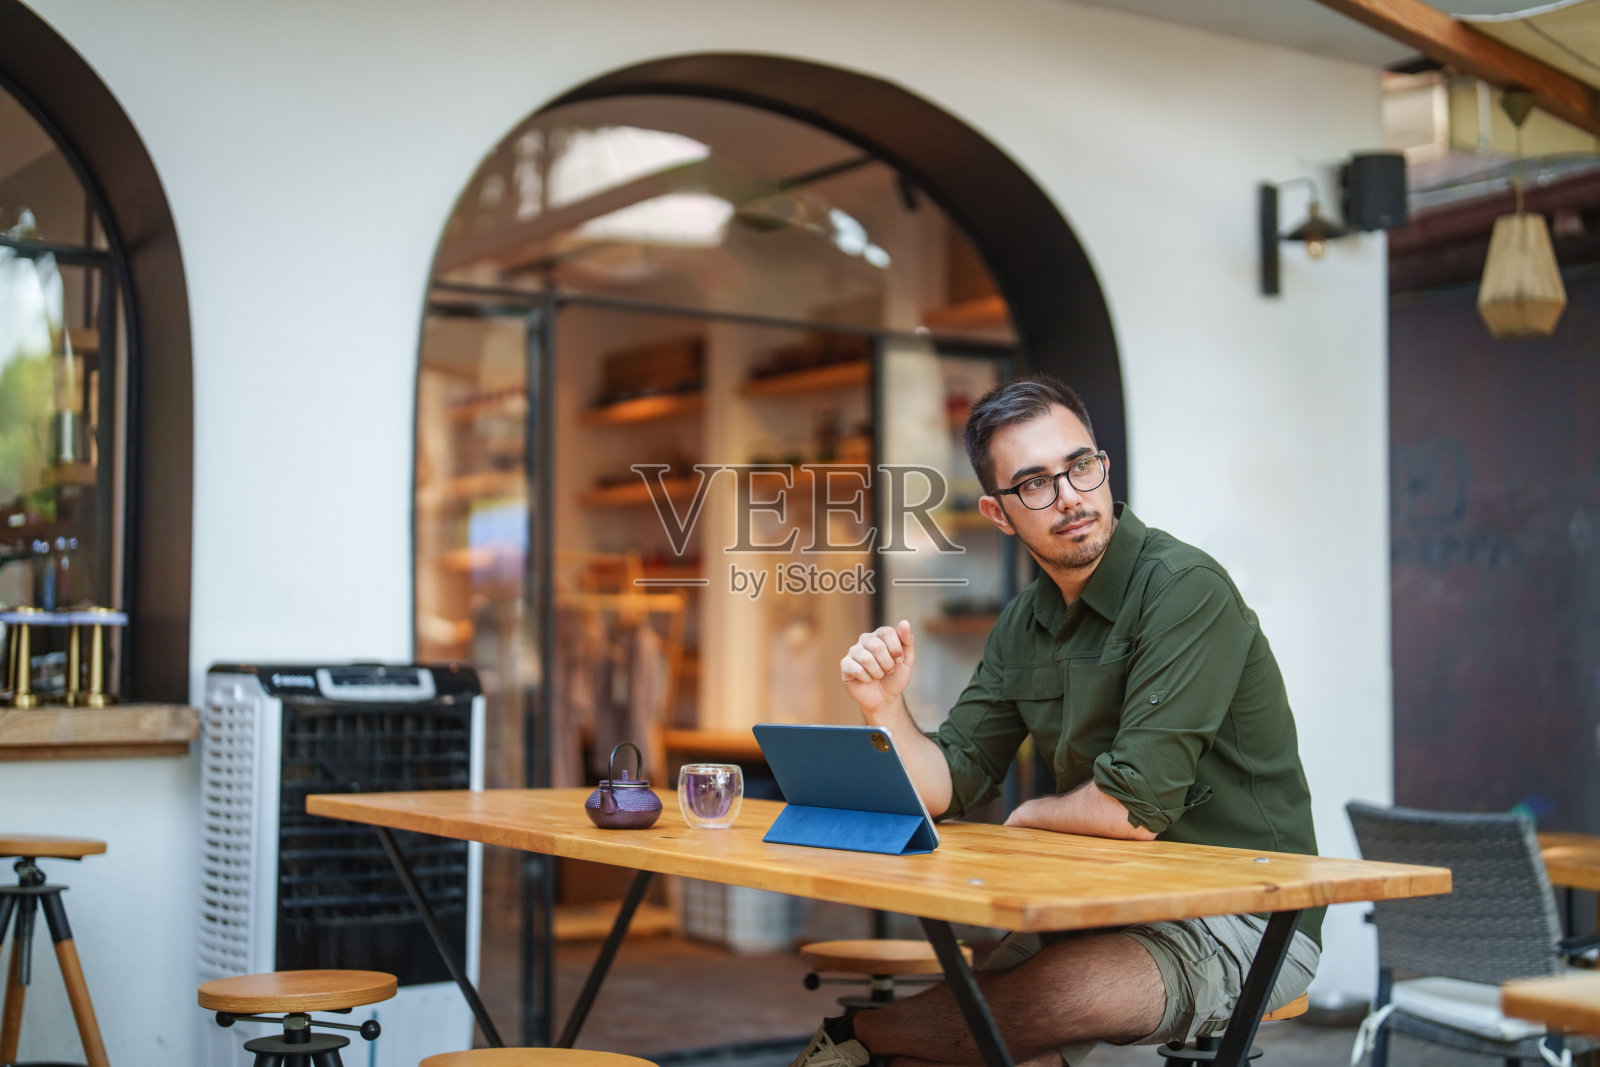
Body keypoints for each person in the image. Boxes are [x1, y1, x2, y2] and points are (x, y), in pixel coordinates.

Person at [791, 374, 1320, 1067]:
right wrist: (885, 706)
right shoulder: (1023, 621)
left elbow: (1134, 807)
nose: (1069, 495)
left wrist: (1026, 815)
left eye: (1080, 466)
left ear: (1103, 464)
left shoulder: (1184, 589)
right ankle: (864, 1041)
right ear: (999, 512)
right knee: (971, 1038)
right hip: (1101, 901)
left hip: (1242, 917)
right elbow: (947, 781)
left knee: (1045, 1002)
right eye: (1035, 483)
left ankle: (856, 1035)